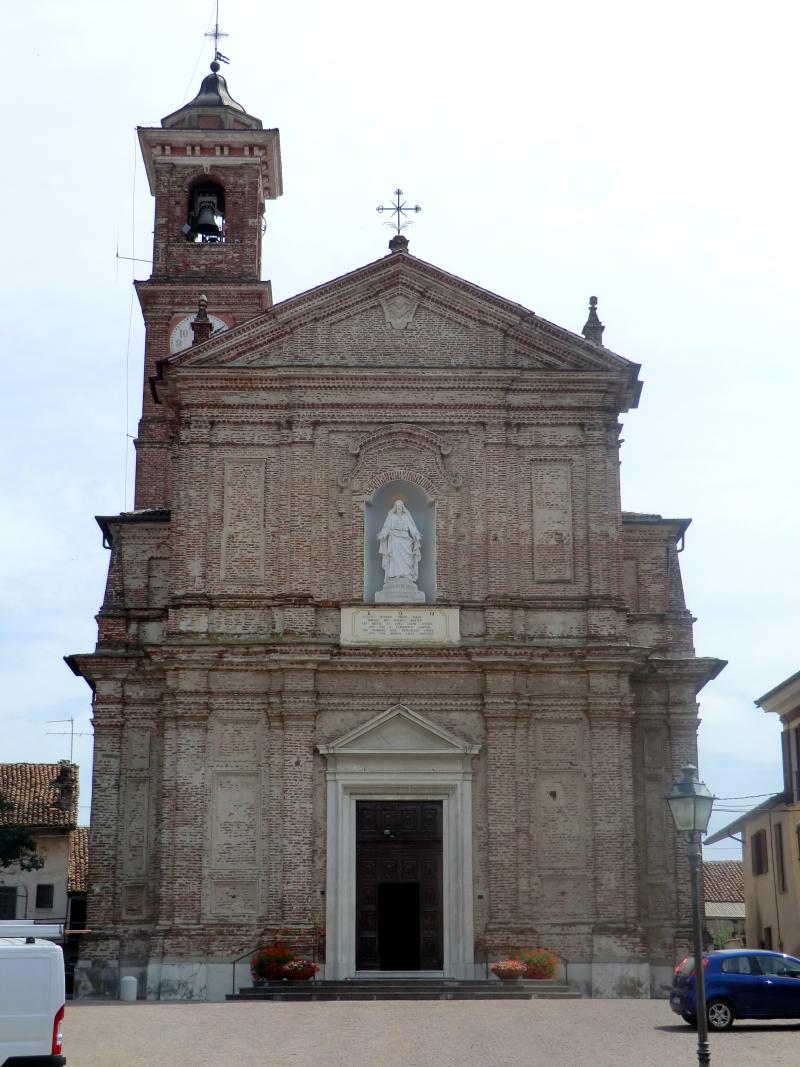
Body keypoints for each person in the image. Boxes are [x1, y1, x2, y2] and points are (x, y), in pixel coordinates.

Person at [377, 500, 422, 582]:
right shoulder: (391, 516)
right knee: (395, 557)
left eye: (401, 506)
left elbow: (412, 527)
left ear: (403, 507)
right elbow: (386, 527)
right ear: (395, 507)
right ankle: (394, 575)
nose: (399, 508)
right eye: (398, 506)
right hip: (394, 538)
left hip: (405, 539)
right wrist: (383, 534)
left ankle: (406, 574)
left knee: (406, 558)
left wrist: (416, 534)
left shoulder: (406, 517)